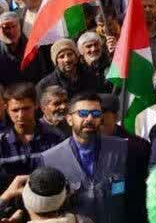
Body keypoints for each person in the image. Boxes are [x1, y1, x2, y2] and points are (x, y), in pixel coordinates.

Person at [41, 92, 143, 221]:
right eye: (83, 113)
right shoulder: (51, 159)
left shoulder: (122, 150)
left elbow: (134, 197)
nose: (89, 119)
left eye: (95, 114)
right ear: (69, 119)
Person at [0, 82, 65, 183]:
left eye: (26, 109)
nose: (21, 115)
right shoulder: (1, 142)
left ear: (36, 105)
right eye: (15, 110)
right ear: (7, 109)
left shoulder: (56, 137)